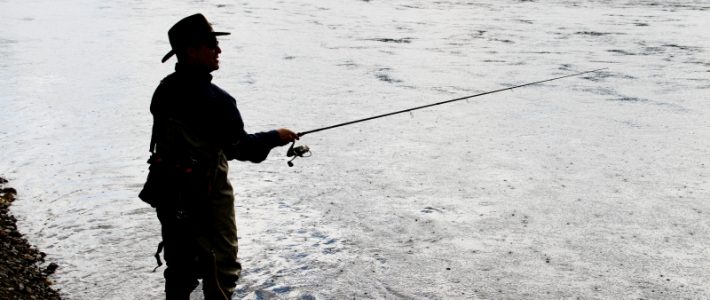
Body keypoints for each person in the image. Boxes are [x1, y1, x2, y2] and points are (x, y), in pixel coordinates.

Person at [139, 13, 299, 300]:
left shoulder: (164, 89)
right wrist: (276, 136)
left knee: (179, 265)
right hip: (206, 196)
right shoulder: (217, 100)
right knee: (222, 266)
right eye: (211, 44)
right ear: (191, 50)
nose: (219, 50)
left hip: (168, 191)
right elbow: (241, 148)